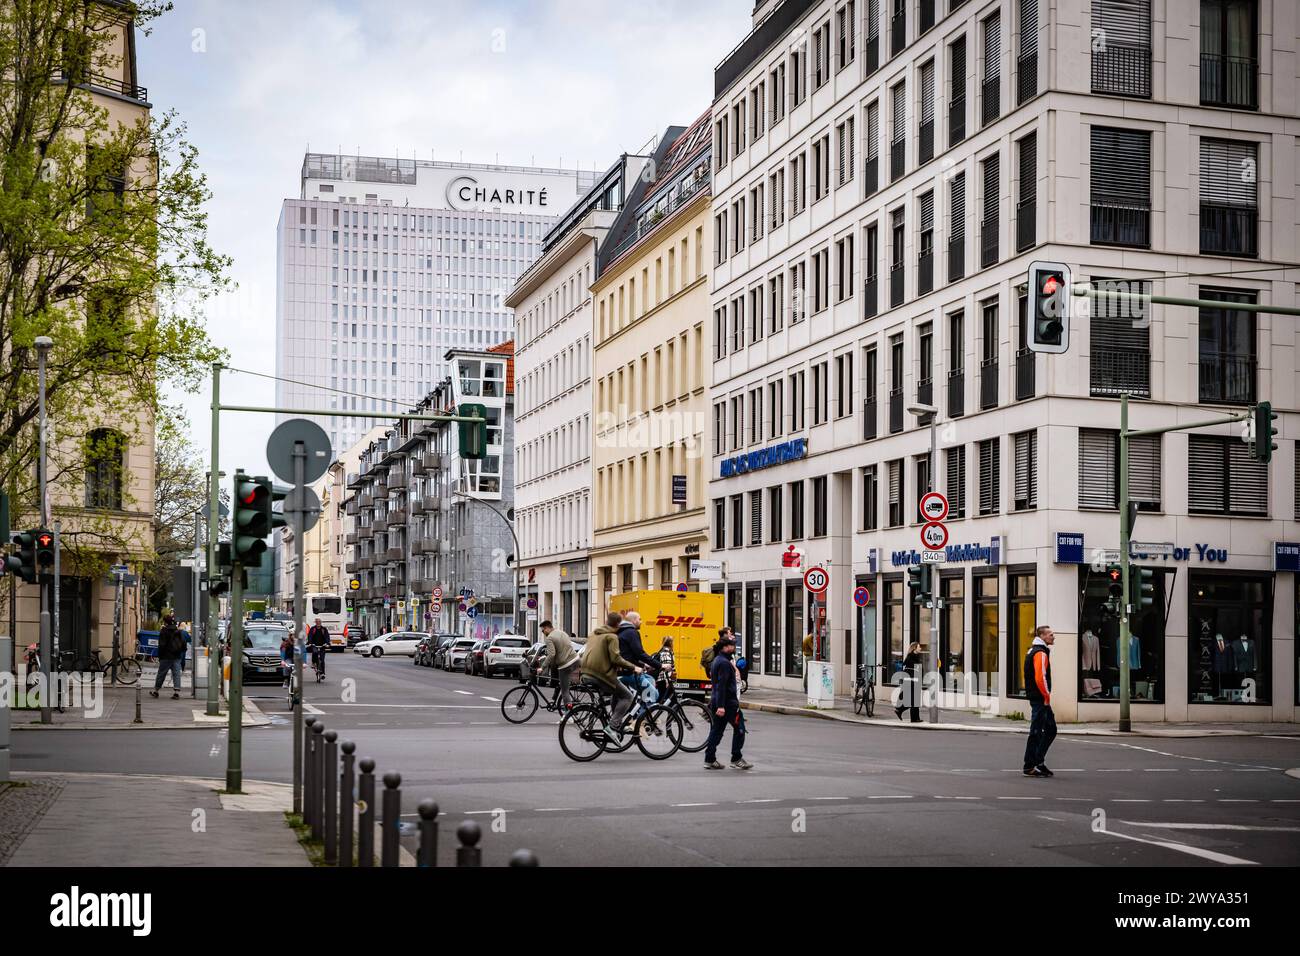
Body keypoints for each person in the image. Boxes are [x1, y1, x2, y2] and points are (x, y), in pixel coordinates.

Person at [580, 611, 642, 740]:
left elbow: (601, 655)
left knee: (617, 691)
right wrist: (633, 667)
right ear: (618, 624)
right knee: (627, 697)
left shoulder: (594, 634)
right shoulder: (611, 637)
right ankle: (613, 726)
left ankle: (616, 723)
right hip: (601, 675)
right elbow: (616, 658)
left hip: (586, 672)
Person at [703, 633, 751, 770]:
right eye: (731, 645)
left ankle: (709, 759)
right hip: (728, 704)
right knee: (740, 729)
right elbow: (722, 685)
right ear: (724, 647)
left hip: (719, 702)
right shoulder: (724, 663)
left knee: (716, 731)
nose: (733, 647)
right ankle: (736, 758)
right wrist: (722, 706)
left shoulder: (717, 660)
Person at [1023, 625, 1057, 777]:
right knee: (1036, 731)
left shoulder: (1033, 650)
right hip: (1040, 698)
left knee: (1050, 729)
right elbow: (1040, 677)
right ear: (1042, 636)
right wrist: (1046, 696)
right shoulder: (1040, 653)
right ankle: (1030, 765)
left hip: (1038, 697)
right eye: (1050, 634)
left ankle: (1038, 762)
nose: (1053, 636)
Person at [617, 610, 660, 706]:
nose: (641, 622)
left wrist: (643, 665)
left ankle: (638, 710)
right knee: (653, 694)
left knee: (650, 679)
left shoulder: (621, 632)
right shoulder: (632, 632)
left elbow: (628, 655)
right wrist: (659, 665)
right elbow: (639, 653)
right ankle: (641, 719)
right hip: (629, 673)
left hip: (621, 671)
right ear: (633, 620)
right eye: (639, 619)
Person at [539, 619, 580, 710]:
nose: (543, 632)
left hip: (565, 664)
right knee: (563, 683)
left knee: (564, 690)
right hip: (576, 660)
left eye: (543, 630)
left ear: (546, 628)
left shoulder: (549, 638)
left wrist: (542, 667)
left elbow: (551, 654)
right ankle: (554, 700)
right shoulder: (563, 633)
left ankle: (569, 712)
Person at [151, 614, 187, 699]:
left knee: (161, 673)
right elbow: (184, 643)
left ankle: (156, 691)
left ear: (165, 622)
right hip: (177, 656)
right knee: (176, 674)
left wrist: (160, 656)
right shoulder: (178, 631)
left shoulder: (164, 631)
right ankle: (176, 692)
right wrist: (181, 652)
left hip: (166, 656)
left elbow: (161, 645)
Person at [895, 641, 923, 722]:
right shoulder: (910, 658)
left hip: (914, 680)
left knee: (915, 700)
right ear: (915, 648)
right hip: (911, 681)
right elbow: (912, 670)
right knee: (913, 700)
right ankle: (900, 710)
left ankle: (915, 718)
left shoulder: (914, 656)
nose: (920, 648)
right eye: (919, 647)